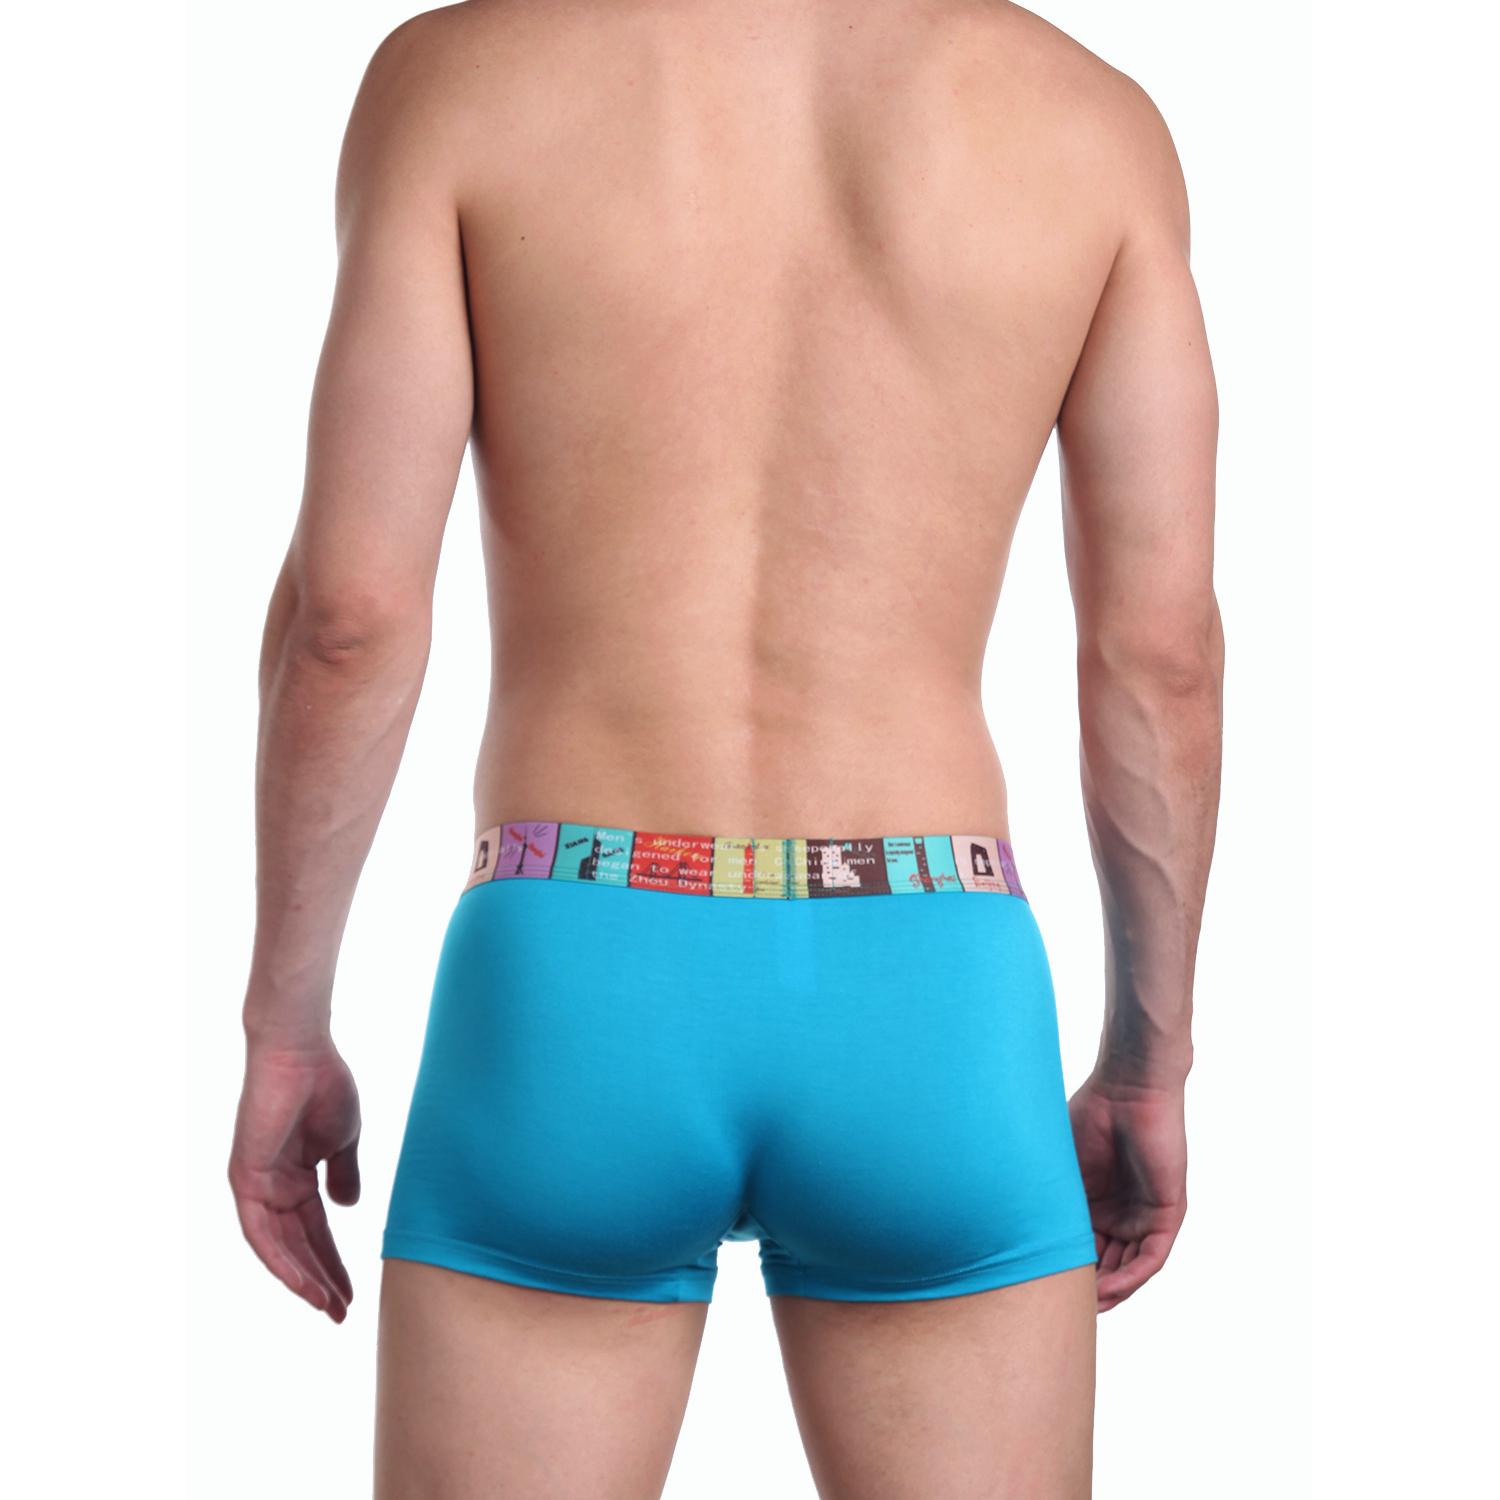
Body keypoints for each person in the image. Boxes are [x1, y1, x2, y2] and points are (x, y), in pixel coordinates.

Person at [227, 0, 1223, 1493]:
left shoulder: (460, 81)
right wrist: (1151, 1060)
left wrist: (284, 1028)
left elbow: (349, 622)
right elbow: (1160, 656)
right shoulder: (1092, 126)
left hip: (573, 966)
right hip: (929, 977)